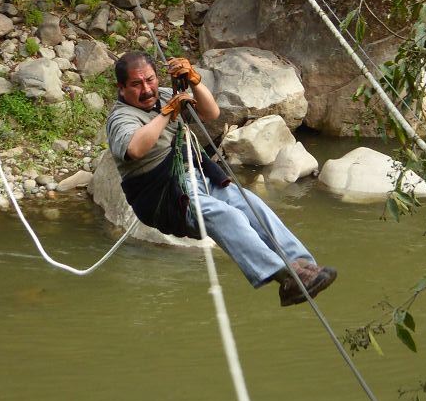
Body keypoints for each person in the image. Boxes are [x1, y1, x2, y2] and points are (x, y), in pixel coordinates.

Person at [106, 51, 337, 306]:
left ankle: (302, 263)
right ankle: (284, 276)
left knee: (250, 204)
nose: (147, 89)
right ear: (121, 87)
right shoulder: (121, 118)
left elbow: (211, 113)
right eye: (136, 84)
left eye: (149, 80)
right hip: (168, 198)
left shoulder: (163, 96)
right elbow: (135, 148)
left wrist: (194, 81)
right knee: (226, 215)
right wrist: (166, 115)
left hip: (198, 179)